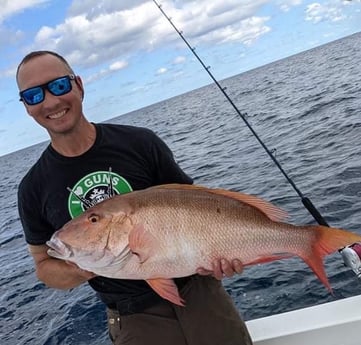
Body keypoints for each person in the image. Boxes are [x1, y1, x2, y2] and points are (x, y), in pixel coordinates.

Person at [16, 50, 253, 345]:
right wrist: (86, 263)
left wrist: (221, 250)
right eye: (34, 95)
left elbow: (198, 207)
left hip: (202, 294)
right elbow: (44, 265)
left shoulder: (140, 143)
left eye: (60, 86)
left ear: (78, 85)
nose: (50, 101)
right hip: (133, 320)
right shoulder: (32, 188)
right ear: (26, 106)